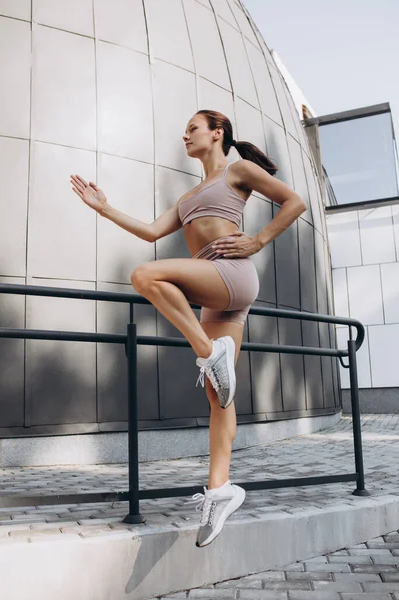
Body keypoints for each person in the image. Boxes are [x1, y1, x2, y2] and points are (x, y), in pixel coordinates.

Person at [70, 109, 306, 547]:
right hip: (218, 296)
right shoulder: (188, 197)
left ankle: (206, 351)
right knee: (221, 395)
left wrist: (258, 240)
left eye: (192, 129)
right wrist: (104, 209)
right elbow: (149, 231)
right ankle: (220, 491)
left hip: (231, 274)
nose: (186, 135)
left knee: (144, 276)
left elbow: (295, 202)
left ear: (217, 134)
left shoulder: (238, 170)